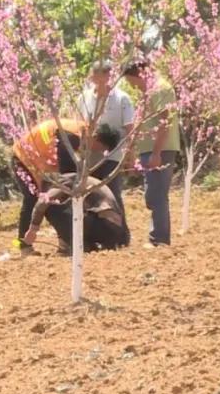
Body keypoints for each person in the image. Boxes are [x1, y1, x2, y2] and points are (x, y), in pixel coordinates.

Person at [122, 59, 181, 247]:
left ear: (139, 74)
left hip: (160, 149)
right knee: (152, 195)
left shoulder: (161, 89)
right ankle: (158, 236)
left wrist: (157, 153)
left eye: (132, 81)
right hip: (149, 149)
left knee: (156, 195)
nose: (132, 86)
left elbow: (166, 122)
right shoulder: (148, 93)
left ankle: (160, 239)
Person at [11, 118, 86, 244]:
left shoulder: (76, 128)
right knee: (32, 200)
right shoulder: (72, 135)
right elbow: (68, 173)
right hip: (24, 160)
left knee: (52, 202)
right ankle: (23, 245)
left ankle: (65, 240)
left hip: (39, 164)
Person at [76, 59, 134, 217]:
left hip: (112, 155)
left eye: (106, 75)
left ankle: (121, 234)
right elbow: (79, 125)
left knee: (112, 194)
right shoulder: (84, 98)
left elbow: (130, 128)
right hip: (89, 156)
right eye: (95, 75)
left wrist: (130, 154)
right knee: (91, 195)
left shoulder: (122, 99)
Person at [20, 173, 129, 254]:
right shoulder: (79, 180)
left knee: (50, 208)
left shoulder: (64, 181)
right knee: (69, 210)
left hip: (105, 225)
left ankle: (81, 247)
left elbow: (43, 202)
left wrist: (33, 229)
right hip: (113, 231)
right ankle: (87, 246)